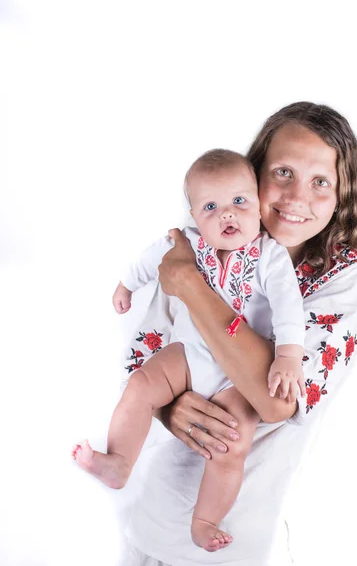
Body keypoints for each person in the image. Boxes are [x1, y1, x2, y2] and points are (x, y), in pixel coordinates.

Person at [115, 102, 357, 566]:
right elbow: (145, 356)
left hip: (238, 543)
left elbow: (277, 400)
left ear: (342, 192)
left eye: (320, 182)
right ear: (255, 173)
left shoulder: (343, 273)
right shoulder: (203, 242)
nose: (295, 197)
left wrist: (189, 283)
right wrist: (169, 407)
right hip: (154, 522)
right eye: (282, 172)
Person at [72, 149, 307, 552]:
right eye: (211, 207)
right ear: (195, 217)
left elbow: (289, 306)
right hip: (188, 355)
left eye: (239, 202)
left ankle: (205, 519)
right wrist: (126, 284)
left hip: (240, 374)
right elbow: (151, 260)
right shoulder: (190, 245)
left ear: (259, 206)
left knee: (231, 443)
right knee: (141, 384)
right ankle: (119, 462)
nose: (227, 215)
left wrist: (287, 355)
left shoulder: (268, 257)